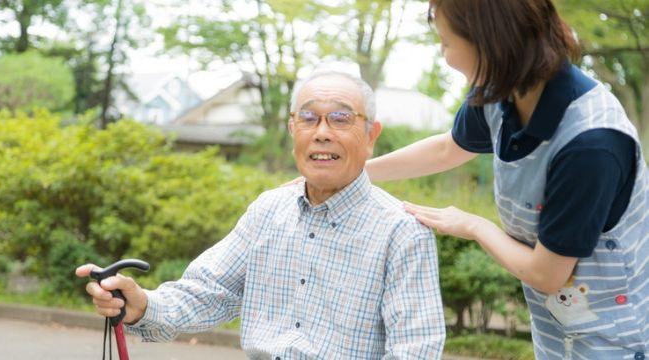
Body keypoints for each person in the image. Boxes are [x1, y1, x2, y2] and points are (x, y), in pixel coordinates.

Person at [76, 70, 446, 358]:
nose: (322, 133)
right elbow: (209, 291)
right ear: (292, 130)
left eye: (340, 119)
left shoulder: (401, 232)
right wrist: (141, 304)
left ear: (370, 135)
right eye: (308, 118)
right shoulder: (268, 211)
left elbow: (415, 350)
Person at [364, 0, 648, 358]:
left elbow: (547, 274)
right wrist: (357, 172)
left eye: (447, 42)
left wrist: (473, 225)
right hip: (557, 330)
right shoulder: (500, 92)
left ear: (491, 42)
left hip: (618, 339)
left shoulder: (591, 144)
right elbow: (449, 149)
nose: (444, 55)